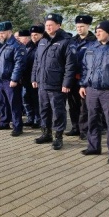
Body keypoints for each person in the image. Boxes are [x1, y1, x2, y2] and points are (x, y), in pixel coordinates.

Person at [32, 13, 76, 150]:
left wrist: (66, 83)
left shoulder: (66, 41)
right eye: (46, 25)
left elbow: (70, 65)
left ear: (59, 25)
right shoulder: (43, 41)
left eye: (51, 25)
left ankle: (58, 136)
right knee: (44, 109)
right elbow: (36, 62)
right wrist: (34, 77)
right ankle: (46, 133)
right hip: (42, 83)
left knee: (58, 111)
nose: (48, 27)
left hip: (57, 84)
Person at [79, 20, 109, 165]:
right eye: (96, 31)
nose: (97, 33)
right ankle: (94, 147)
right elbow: (85, 68)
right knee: (92, 119)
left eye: (100, 31)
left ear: (108, 31)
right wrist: (83, 84)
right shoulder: (91, 47)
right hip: (92, 90)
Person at [0, 21, 26, 136]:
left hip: (10, 80)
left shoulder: (16, 46)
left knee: (14, 104)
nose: (0, 35)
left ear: (9, 32)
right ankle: (4, 122)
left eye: (2, 33)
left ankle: (17, 126)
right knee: (2, 102)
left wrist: (14, 79)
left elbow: (19, 64)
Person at [66, 15, 96, 139]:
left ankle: (85, 130)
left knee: (85, 107)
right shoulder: (72, 41)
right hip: (73, 78)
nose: (79, 29)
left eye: (82, 26)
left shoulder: (94, 41)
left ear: (88, 26)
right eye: (77, 26)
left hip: (86, 78)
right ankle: (75, 127)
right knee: (73, 105)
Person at [22, 25, 44, 128]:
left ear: (41, 35)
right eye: (32, 35)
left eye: (36, 35)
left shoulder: (43, 45)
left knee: (36, 100)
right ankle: (30, 118)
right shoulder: (28, 45)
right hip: (27, 77)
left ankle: (38, 120)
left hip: (37, 78)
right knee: (26, 99)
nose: (34, 37)